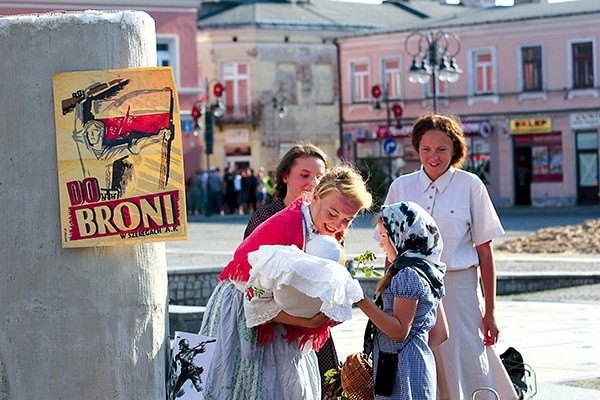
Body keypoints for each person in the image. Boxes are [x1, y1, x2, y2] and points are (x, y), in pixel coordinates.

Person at [199, 165, 373, 400]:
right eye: (333, 214)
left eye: (348, 220)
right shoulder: (286, 227)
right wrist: (308, 321)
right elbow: (255, 297)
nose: (338, 225)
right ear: (317, 195)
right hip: (246, 309)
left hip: (280, 312)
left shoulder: (320, 230)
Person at [382, 114, 518, 400]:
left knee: (467, 356)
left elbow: (485, 250)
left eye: (442, 149)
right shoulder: (400, 188)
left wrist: (490, 311)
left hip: (460, 290)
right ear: (417, 149)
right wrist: (386, 296)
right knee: (418, 358)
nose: (434, 156)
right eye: (426, 149)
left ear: (455, 149)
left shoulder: (471, 186)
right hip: (411, 290)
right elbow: (389, 250)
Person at [242, 143, 342, 396]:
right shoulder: (266, 217)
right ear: (285, 176)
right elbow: (249, 281)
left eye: (319, 176)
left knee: (321, 387)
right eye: (305, 175)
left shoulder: (327, 217)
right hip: (275, 325)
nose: (313, 182)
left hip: (311, 327)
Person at [357, 201, 448, 400]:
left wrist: (361, 300)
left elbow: (399, 331)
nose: (380, 243)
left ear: (402, 236)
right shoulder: (428, 271)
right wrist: (414, 352)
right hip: (415, 366)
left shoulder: (407, 275)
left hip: (401, 373)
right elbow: (441, 333)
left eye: (383, 236)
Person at [244, 233, 363, 333]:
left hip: (298, 335)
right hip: (270, 332)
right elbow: (253, 304)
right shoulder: (281, 265)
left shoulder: (336, 286)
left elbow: (255, 303)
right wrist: (309, 322)